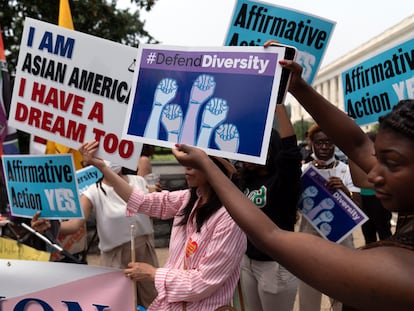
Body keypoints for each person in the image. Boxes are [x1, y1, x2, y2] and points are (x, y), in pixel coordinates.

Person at [170, 46, 414, 310]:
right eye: (377, 158)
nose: (373, 174)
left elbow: (271, 235)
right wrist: (297, 87)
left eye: (391, 163)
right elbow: (357, 145)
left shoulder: (402, 272)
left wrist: (207, 166)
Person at [80, 140, 247, 311]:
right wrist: (103, 168)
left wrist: (153, 273)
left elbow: (202, 282)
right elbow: (142, 202)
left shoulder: (230, 219)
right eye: (185, 162)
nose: (187, 168)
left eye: (194, 163)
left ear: (215, 168)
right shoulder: (188, 198)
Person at [31, 162, 159, 309]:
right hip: (114, 257)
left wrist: (158, 197)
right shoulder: (93, 191)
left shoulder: (139, 181)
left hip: (144, 251)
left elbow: (152, 212)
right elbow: (74, 225)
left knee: (153, 301)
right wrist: (49, 226)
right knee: (118, 304)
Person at [236, 105, 302, 311]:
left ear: (270, 150)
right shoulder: (246, 180)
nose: (247, 156)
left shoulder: (283, 181)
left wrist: (280, 109)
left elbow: (291, 153)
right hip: (248, 261)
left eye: (254, 149)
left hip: (276, 266)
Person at [298, 123, 360, 311]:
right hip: (310, 240)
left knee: (342, 293)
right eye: (319, 143)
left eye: (328, 142)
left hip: (341, 239)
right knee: (308, 295)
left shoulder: (346, 170)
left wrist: (343, 190)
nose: (324, 147)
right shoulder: (304, 170)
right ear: (312, 145)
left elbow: (358, 206)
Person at [349, 132, 392, 244]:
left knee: (384, 233)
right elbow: (358, 182)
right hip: (365, 200)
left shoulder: (383, 161)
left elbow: (364, 181)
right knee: (369, 233)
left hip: (379, 201)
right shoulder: (359, 159)